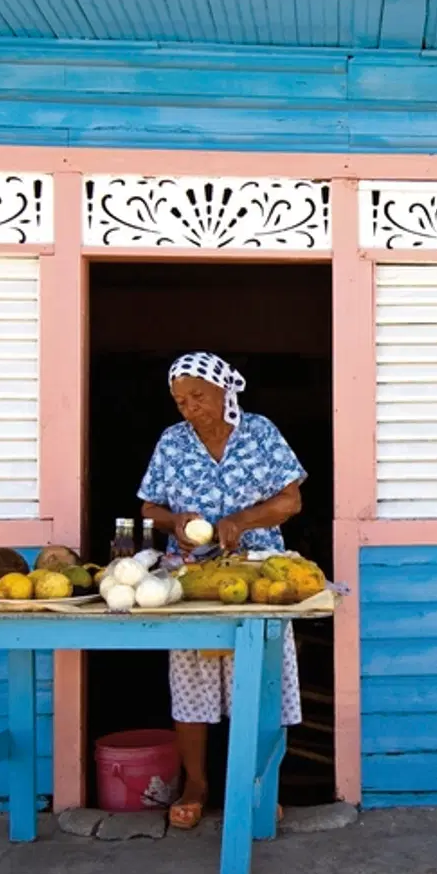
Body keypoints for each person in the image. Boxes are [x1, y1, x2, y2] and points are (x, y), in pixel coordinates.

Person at [137, 352, 306, 830]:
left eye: (198, 396)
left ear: (224, 392)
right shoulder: (172, 443)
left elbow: (291, 499)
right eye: (180, 400)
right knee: (191, 686)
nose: (189, 408)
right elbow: (149, 506)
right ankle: (196, 784)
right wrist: (177, 520)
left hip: (261, 577)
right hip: (192, 579)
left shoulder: (260, 433)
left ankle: (259, 782)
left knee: (261, 682)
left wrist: (241, 520)